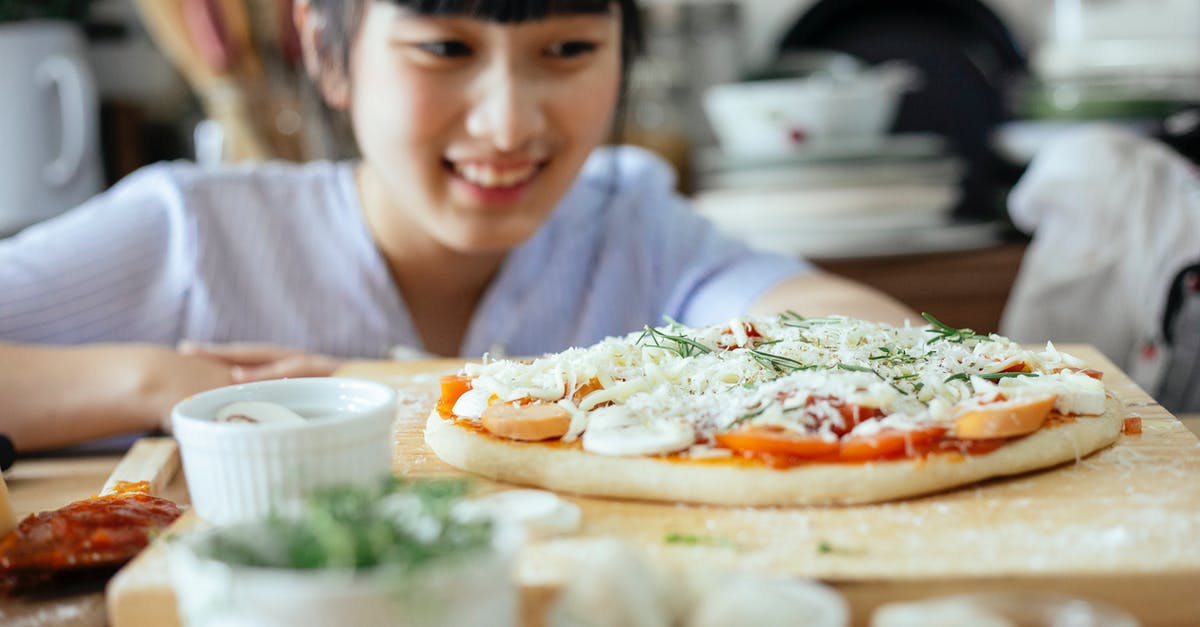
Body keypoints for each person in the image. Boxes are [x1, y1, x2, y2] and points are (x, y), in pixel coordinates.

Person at [0, 0, 915, 452]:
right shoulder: (194, 230)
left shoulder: (629, 221)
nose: (509, 123)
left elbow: (887, 344)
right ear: (330, 50)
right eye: (446, 49)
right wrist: (159, 380)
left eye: (568, 50)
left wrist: (372, 385)